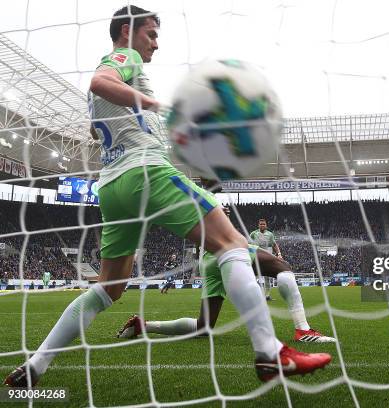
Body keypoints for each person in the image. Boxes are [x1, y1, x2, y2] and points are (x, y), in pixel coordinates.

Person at [4, 5, 330, 388]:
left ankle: (37, 364)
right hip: (146, 174)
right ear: (127, 31)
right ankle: (270, 352)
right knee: (232, 245)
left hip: (112, 186)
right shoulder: (122, 58)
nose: (156, 44)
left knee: (108, 288)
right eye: (151, 34)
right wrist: (157, 105)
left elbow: (97, 130)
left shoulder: (119, 82)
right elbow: (100, 81)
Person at [118, 208, 336, 343]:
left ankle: (144, 326)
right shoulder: (198, 201)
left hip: (208, 262)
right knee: (283, 267)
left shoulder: (187, 209)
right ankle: (303, 330)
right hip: (229, 251)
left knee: (204, 327)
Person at [250, 219, 280, 300]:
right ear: (258, 225)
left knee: (267, 277)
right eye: (261, 224)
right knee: (254, 276)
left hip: (266, 257)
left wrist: (279, 254)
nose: (262, 225)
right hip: (256, 257)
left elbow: (274, 245)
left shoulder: (270, 234)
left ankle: (267, 295)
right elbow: (249, 244)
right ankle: (255, 295)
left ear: (266, 225)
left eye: (263, 224)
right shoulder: (253, 234)